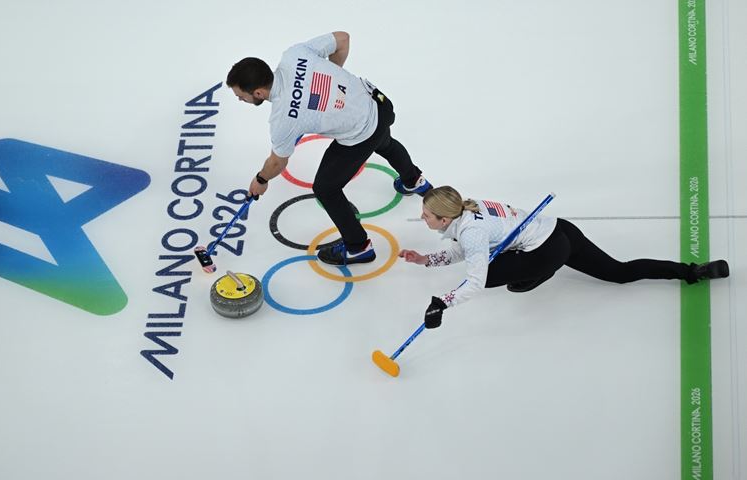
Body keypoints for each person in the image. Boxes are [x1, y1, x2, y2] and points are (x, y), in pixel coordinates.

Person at [226, 31, 432, 265]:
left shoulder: (283, 119)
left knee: (326, 189)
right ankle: (414, 181)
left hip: (361, 131)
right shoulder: (294, 55)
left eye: (240, 96)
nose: (239, 100)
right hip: (378, 104)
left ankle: (358, 247)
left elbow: (277, 162)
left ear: (259, 93)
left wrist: (261, 180)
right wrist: (335, 78)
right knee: (384, 140)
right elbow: (342, 38)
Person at [398, 186, 731, 329]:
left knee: (492, 274)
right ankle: (693, 271)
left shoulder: (471, 232)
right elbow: (464, 247)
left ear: (445, 219)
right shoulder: (467, 207)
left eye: (427, 215)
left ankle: (537, 274)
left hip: (546, 252)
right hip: (562, 231)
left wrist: (443, 302)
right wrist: (425, 260)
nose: (422, 218)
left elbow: (475, 279)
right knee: (620, 272)